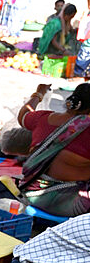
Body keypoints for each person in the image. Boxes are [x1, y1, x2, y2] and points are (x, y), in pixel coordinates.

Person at [18, 83, 90, 217]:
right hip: (69, 204)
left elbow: (23, 115)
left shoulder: (43, 118)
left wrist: (39, 93)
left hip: (30, 192)